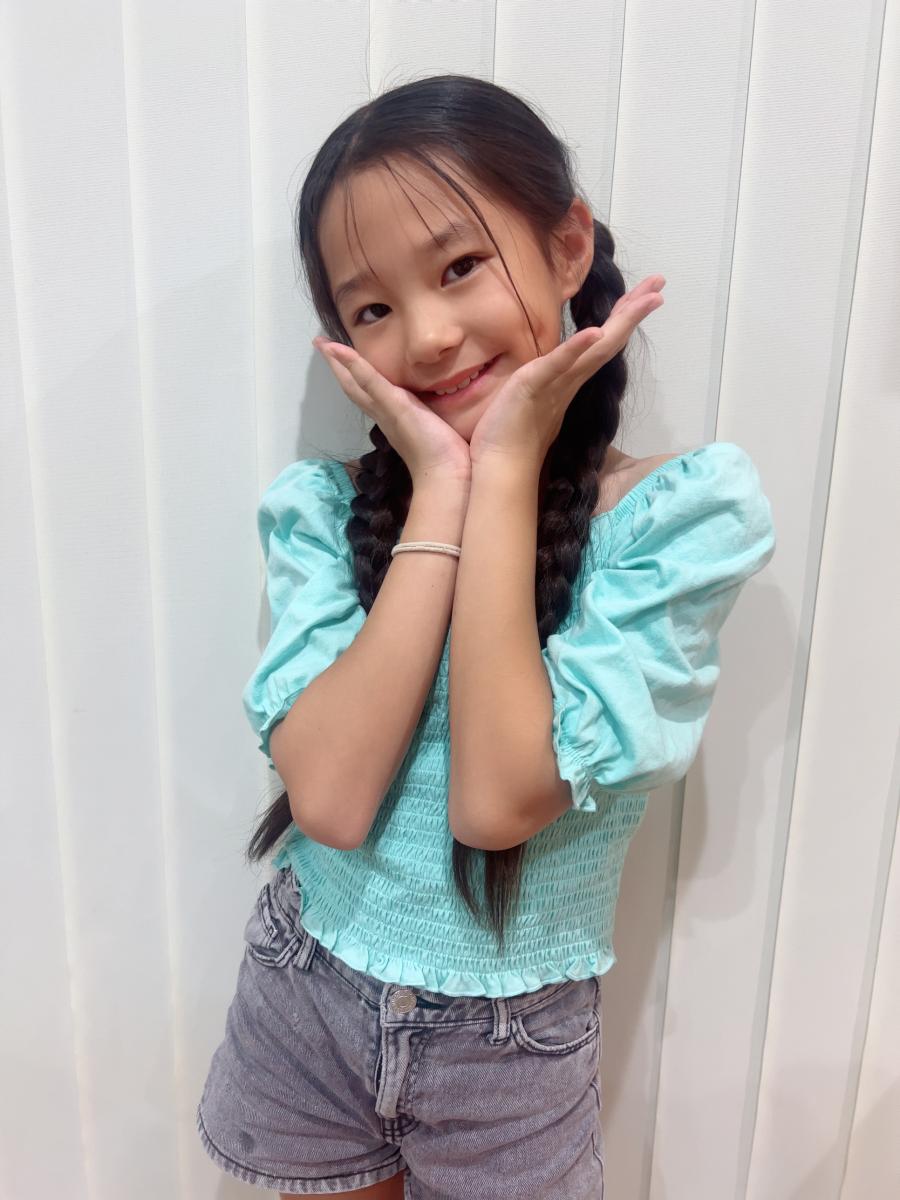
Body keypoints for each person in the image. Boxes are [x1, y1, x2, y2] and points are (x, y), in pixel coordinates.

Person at [196, 74, 776, 1199]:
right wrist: (443, 494)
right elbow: (331, 803)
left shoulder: (677, 522)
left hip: (512, 1053)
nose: (425, 335)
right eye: (371, 309)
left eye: (459, 265)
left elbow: (496, 802)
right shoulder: (323, 514)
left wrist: (506, 466)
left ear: (568, 248)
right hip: (303, 993)